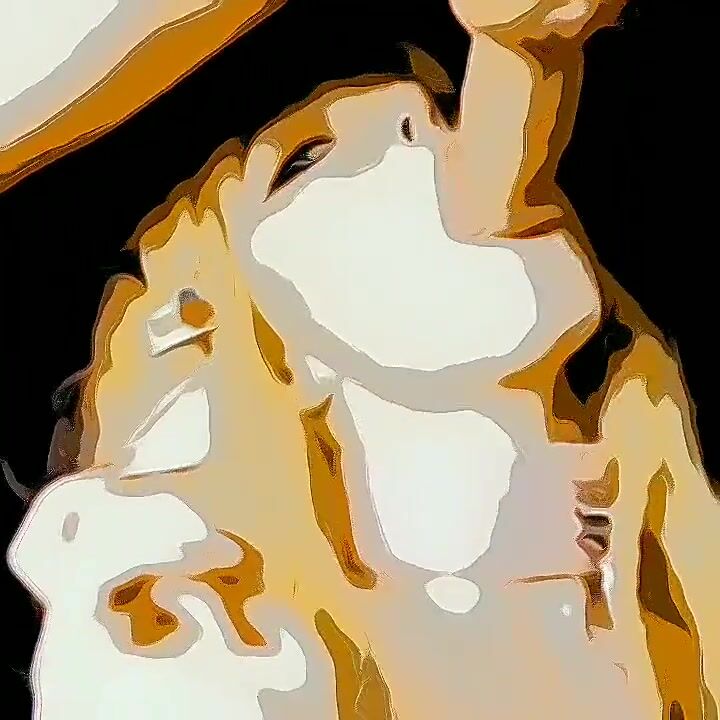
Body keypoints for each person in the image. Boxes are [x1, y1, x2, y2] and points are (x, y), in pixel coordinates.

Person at [7, 1, 718, 718]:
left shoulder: (665, 592)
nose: (416, 117)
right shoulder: (177, 626)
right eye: (305, 159)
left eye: (441, 108)